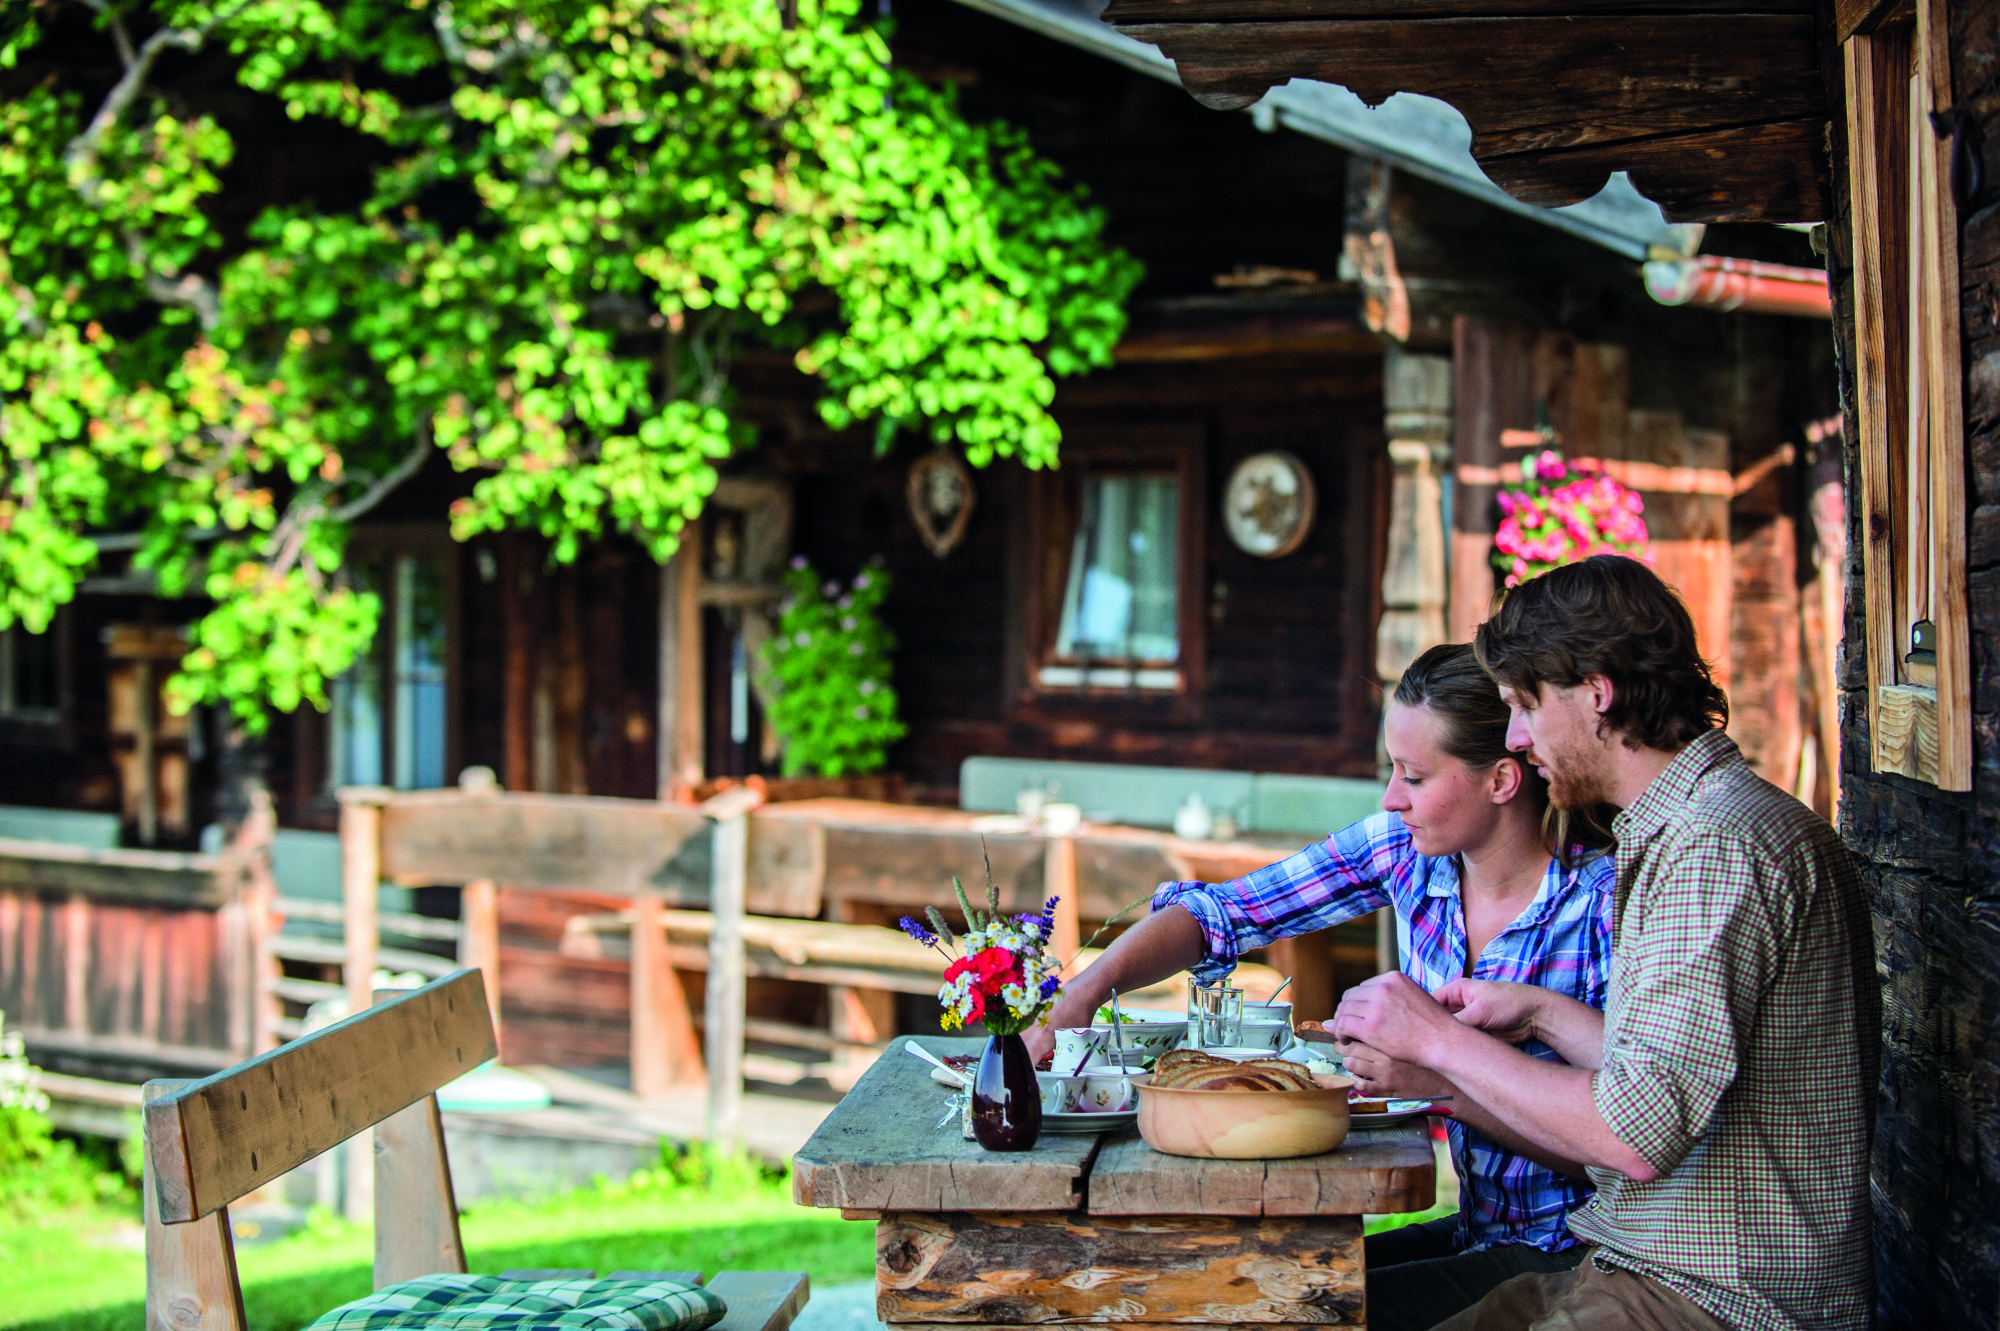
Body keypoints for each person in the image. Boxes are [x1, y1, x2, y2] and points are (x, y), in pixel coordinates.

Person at [1332, 555, 1878, 1331]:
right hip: (1636, 1264)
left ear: (1596, 691)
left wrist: (1438, 1042)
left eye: (1525, 705)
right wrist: (1542, 1012)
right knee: (1325, 1305)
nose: (1516, 738)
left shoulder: (1717, 844)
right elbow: (1673, 1070)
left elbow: (1633, 1132)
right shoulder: (1685, 827)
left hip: (1718, 1300)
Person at [1029, 643, 1616, 1331]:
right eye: (1392, 770)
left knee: (1290, 1312)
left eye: (1414, 776)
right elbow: (1222, 913)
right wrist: (1082, 993)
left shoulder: (1603, 902)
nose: (1392, 797)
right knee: (1239, 1291)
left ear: (1503, 780)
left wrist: (1436, 1082)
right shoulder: (1407, 849)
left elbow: (1616, 1152)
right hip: (1478, 1228)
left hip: (1580, 1253)